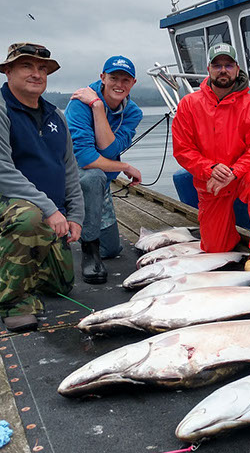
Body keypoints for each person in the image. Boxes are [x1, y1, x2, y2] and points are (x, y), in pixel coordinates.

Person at [0, 43, 84, 332]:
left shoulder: (56, 116)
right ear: (8, 70)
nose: (36, 74)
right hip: (12, 209)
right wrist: (49, 209)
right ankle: (13, 301)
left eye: (42, 68)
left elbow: (69, 170)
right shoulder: (1, 108)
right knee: (29, 218)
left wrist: (75, 216)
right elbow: (2, 170)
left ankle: (14, 268)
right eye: (27, 66)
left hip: (49, 214)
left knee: (61, 285)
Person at [172, 43, 250, 271]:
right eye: (217, 65)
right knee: (216, 250)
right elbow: (182, 149)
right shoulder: (189, 105)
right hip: (210, 182)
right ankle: (228, 236)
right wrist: (210, 169)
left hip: (242, 177)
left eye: (228, 65)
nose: (223, 70)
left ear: (237, 69)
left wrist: (234, 172)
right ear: (208, 69)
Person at [65, 56, 143, 284]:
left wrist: (98, 107)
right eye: (113, 78)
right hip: (71, 178)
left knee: (111, 249)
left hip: (100, 185)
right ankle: (89, 250)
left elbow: (109, 150)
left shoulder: (133, 113)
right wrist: (125, 166)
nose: (119, 84)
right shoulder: (79, 103)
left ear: (133, 83)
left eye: (125, 80)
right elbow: (86, 158)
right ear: (102, 78)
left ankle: (87, 231)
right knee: (93, 175)